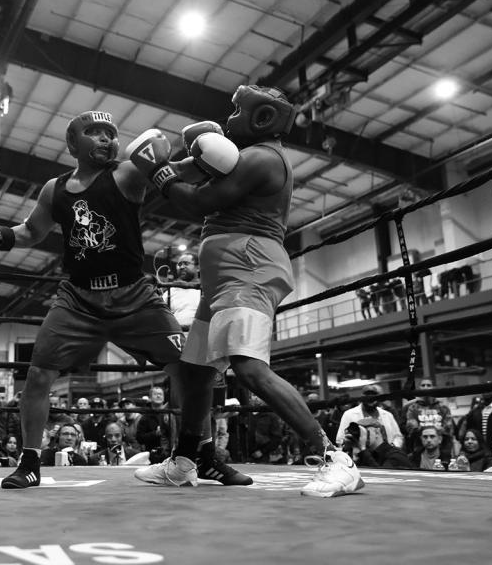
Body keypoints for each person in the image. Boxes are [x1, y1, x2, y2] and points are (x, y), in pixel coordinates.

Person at [0, 110, 246, 489]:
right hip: (77, 299)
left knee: (189, 372)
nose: (105, 139)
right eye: (94, 132)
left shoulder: (128, 173)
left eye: (110, 133)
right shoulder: (56, 188)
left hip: (136, 295)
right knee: (37, 376)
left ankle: (205, 456)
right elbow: (32, 231)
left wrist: (206, 152)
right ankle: (29, 463)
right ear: (72, 144)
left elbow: (183, 173)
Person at [123, 85, 361, 496]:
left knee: (248, 366)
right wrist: (180, 163)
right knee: (196, 373)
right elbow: (193, 175)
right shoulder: (240, 157)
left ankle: (335, 458)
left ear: (262, 118)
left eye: (236, 111)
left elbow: (198, 202)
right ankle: (183, 462)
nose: (229, 119)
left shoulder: (262, 158)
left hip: (248, 267)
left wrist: (159, 171)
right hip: (223, 276)